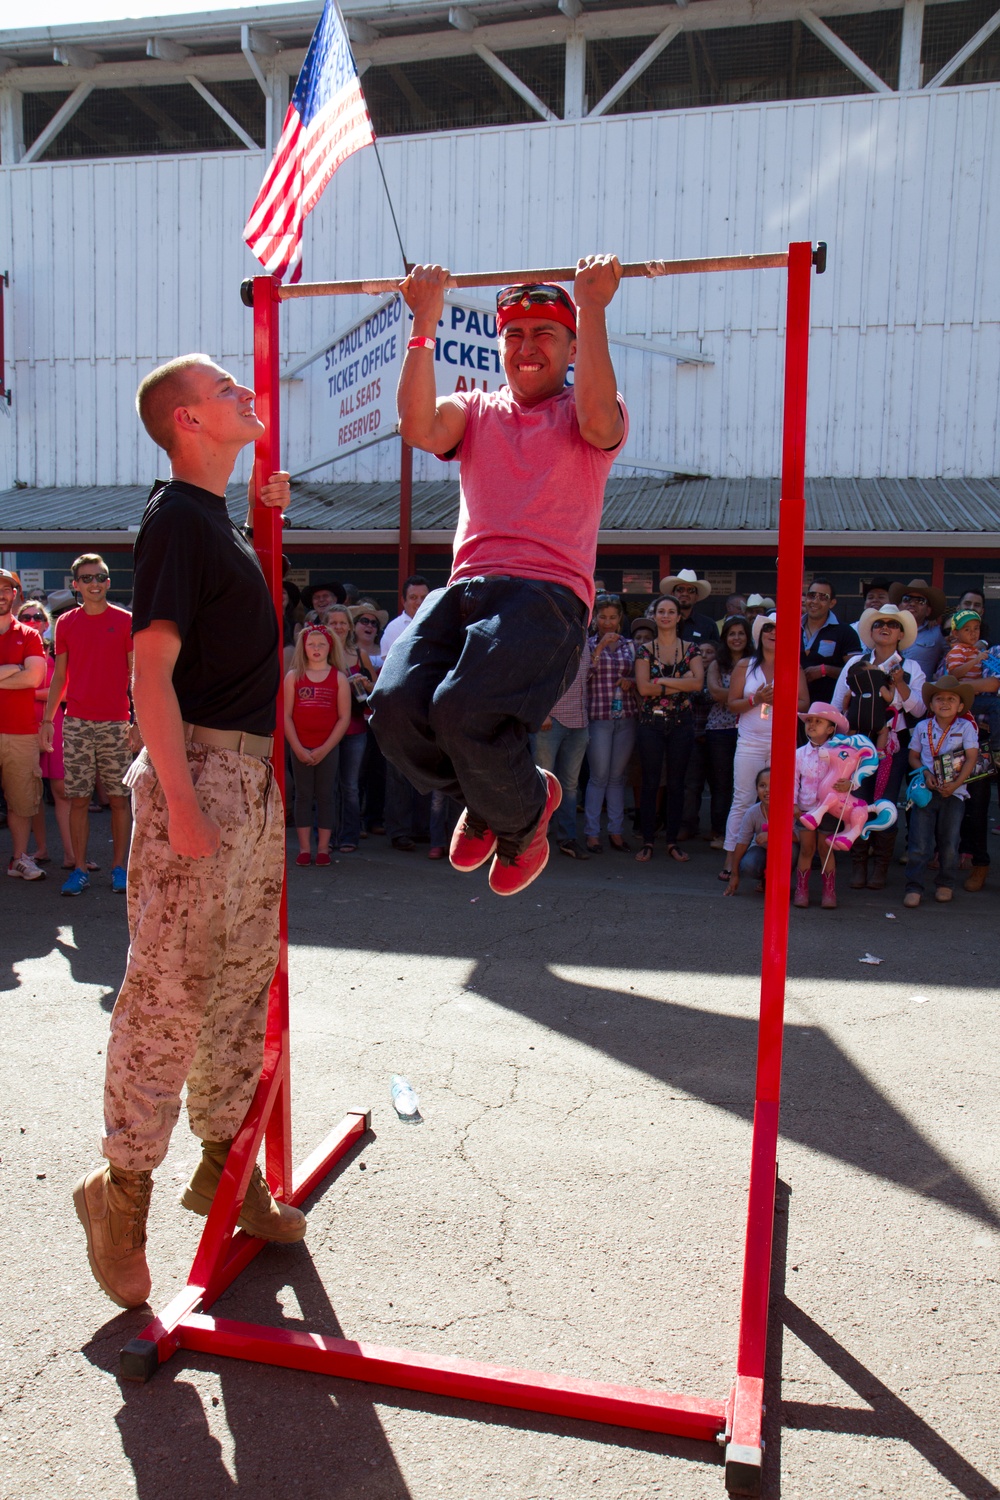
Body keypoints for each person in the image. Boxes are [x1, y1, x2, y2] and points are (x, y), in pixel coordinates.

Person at [73, 352, 298, 1312]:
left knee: (241, 984)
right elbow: (150, 670)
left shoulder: (216, 523)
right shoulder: (174, 519)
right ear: (185, 421)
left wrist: (261, 516)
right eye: (225, 391)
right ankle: (120, 1192)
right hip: (199, 774)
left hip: (248, 775)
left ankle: (223, 1163)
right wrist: (181, 797)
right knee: (168, 993)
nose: (245, 395)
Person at [369, 257, 627, 896]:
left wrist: (590, 307)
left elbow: (599, 421)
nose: (527, 347)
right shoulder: (476, 407)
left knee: (464, 708)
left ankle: (513, 820)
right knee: (394, 707)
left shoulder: (586, 411)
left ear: (571, 348)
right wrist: (422, 323)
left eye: (545, 333)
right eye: (514, 334)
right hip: (466, 588)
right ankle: (510, 797)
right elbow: (419, 427)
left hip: (545, 595)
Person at [41, 554, 135, 896]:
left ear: (109, 582)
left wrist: (136, 720)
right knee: (77, 798)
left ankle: (119, 868)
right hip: (77, 723)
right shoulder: (65, 623)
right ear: (76, 585)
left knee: (119, 799)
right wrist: (48, 720)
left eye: (100, 577)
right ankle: (78, 869)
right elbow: (60, 677)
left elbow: (135, 674)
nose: (94, 583)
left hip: (116, 723)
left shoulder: (126, 621)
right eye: (87, 578)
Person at [831, 603, 924, 891]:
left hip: (893, 745)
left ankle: (880, 867)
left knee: (884, 802)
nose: (885, 627)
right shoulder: (854, 664)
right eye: (879, 623)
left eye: (892, 624)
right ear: (871, 632)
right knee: (857, 800)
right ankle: (859, 865)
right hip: (858, 742)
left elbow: (919, 711)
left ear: (900, 634)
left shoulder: (911, 668)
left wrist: (900, 685)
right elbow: (837, 707)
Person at [719, 614, 809, 882]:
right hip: (749, 742)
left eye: (781, 629)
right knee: (743, 800)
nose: (773, 632)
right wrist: (756, 698)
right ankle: (730, 858)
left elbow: (805, 704)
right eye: (769, 628)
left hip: (782, 743)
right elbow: (731, 704)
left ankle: (780, 861)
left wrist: (785, 699)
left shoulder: (794, 666)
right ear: (760, 633)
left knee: (784, 801)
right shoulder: (745, 665)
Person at [633, 594, 705, 863]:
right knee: (651, 783)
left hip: (680, 723)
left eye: (670, 611)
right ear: (654, 616)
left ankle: (672, 841)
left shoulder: (691, 648)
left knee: (677, 784)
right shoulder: (644, 650)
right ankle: (649, 840)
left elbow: (698, 684)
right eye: (660, 611)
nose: (665, 616)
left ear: (678, 617)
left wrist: (659, 680)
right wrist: (677, 680)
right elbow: (643, 688)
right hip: (651, 723)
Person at [903, 676, 979, 907]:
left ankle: (946, 884)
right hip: (926, 792)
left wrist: (956, 785)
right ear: (931, 704)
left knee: (949, 842)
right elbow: (913, 757)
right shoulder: (921, 727)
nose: (944, 703)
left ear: (960, 706)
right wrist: (926, 774)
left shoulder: (966, 727)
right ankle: (914, 887)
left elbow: (971, 759)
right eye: (939, 699)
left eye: (951, 699)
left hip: (954, 794)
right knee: (919, 843)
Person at [284, 624, 351, 866]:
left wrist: (325, 749)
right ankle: (304, 848)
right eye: (311, 644)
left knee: (325, 796)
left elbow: (344, 718)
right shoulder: (293, 677)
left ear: (329, 648)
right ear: (303, 647)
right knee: (302, 796)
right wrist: (298, 748)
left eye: (321, 644)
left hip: (327, 748)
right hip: (300, 746)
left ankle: (323, 848)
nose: (316, 648)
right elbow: (286, 715)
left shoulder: (339, 678)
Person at [18, 599, 74, 869]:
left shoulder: (56, 649)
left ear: (46, 622)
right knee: (31, 791)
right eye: (26, 617)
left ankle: (72, 854)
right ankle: (40, 849)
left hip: (54, 722)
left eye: (37, 617)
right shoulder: (11, 650)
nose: (32, 621)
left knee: (62, 788)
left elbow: (64, 689)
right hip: (22, 723)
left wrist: (22, 686)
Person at [0, 568, 48, 881]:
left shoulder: (28, 634)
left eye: (6, 589)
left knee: (21, 800)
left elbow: (35, 677)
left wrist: (19, 670)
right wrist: (13, 668)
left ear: (15, 595)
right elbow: (24, 674)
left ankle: (19, 859)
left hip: (20, 731)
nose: (1, 594)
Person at [583, 594, 636, 853]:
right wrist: (600, 648)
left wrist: (632, 681)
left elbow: (640, 676)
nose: (608, 622)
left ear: (620, 619)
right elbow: (583, 676)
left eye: (613, 617)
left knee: (617, 778)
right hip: (599, 718)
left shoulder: (630, 645)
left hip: (625, 716)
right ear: (595, 619)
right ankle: (592, 834)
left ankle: (616, 832)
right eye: (602, 617)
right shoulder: (588, 643)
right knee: (598, 777)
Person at [325, 605, 377, 853]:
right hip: (326, 728)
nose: (338, 627)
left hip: (356, 729)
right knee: (327, 785)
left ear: (349, 625)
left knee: (350, 785)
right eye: (333, 622)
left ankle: (349, 836)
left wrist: (366, 683)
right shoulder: (318, 654)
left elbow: (378, 691)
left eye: (342, 622)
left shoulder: (360, 654)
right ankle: (327, 835)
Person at [792, 702, 851, 909]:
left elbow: (850, 773)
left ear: (830, 729)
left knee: (825, 849)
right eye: (809, 721)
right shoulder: (799, 754)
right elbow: (793, 780)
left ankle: (829, 890)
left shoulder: (840, 754)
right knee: (806, 849)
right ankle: (802, 889)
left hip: (829, 808)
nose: (812, 724)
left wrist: (850, 784)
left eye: (818, 721)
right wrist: (794, 804)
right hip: (806, 807)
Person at [534, 646, 591, 859]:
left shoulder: (586, 638)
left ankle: (567, 838)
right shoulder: (553, 632)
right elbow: (534, 675)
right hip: (551, 720)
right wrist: (542, 712)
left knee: (569, 786)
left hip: (579, 722)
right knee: (543, 783)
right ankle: (535, 840)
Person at [704, 615, 751, 851]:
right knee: (721, 783)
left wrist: (732, 697)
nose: (736, 638)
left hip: (748, 730)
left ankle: (746, 834)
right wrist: (746, 697)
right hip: (719, 730)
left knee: (746, 786)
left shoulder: (756, 663)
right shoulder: (716, 664)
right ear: (725, 638)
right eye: (732, 634)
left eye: (741, 633)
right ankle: (719, 832)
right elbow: (714, 692)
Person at [800, 577, 860, 703]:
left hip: (828, 710)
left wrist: (826, 670)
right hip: (791, 707)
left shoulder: (846, 632)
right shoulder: (790, 629)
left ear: (832, 603)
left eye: (822, 597)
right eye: (812, 595)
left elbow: (857, 673)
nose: (815, 601)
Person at [723, 767, 771, 897]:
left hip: (785, 849)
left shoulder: (788, 809)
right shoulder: (752, 812)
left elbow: (798, 838)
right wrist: (734, 874)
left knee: (792, 852)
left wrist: (773, 836)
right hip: (761, 849)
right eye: (762, 785)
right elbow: (742, 843)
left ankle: (781, 882)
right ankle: (764, 879)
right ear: (756, 790)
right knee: (748, 864)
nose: (767, 790)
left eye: (773, 785)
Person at [888, 579, 947, 679]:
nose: (912, 604)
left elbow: (957, 649)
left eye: (920, 601)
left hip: (919, 692)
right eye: (907, 599)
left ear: (928, 611)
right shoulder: (886, 628)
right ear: (899, 606)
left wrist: (982, 643)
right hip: (887, 690)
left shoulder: (937, 633)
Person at [660, 569, 720, 644]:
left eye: (690, 590)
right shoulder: (662, 621)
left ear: (696, 597)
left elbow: (715, 652)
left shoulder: (708, 625)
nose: (685, 594)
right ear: (672, 594)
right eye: (680, 589)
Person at [380, 575, 430, 656]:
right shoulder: (394, 628)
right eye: (413, 597)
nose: (419, 602)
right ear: (403, 601)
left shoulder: (439, 625)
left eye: (424, 597)